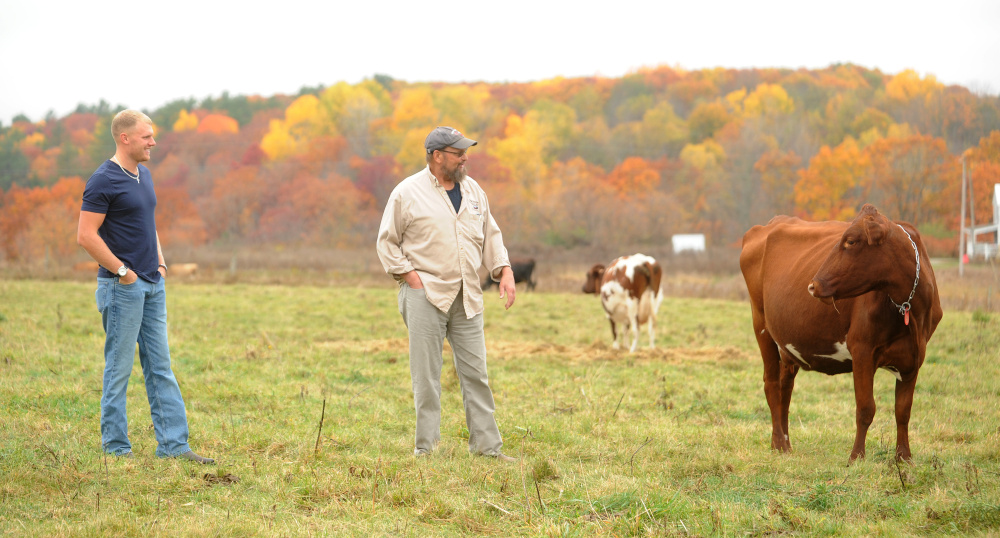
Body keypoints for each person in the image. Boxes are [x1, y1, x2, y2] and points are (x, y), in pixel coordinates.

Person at [77, 109, 214, 464]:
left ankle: (174, 446)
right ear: (125, 138)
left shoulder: (144, 175)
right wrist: (123, 271)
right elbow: (85, 235)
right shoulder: (103, 180)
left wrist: (161, 260)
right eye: (146, 136)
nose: (153, 141)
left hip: (153, 284)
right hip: (121, 287)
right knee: (119, 368)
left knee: (160, 366)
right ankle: (116, 450)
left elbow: (146, 224)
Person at [376, 126, 518, 461]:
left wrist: (504, 270)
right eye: (458, 152)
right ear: (437, 155)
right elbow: (387, 242)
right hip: (426, 295)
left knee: (476, 374)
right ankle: (426, 450)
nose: (465, 157)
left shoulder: (474, 192)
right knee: (426, 378)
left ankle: (487, 449)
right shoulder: (406, 193)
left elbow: (491, 234)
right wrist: (410, 277)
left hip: (468, 296)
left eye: (465, 151)